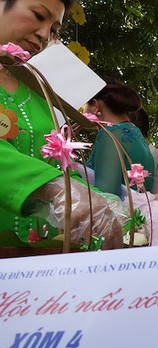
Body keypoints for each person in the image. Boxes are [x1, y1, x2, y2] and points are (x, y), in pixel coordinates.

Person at [0, 0, 122, 249]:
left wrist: (98, 201)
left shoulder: (37, 90)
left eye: (54, 29)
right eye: (38, 15)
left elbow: (58, 165)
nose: (45, 35)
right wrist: (54, 189)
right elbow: (56, 185)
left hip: (28, 269)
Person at [85, 80, 155, 197]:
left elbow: (107, 197)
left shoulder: (111, 133)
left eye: (84, 105)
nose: (83, 111)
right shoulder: (138, 136)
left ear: (95, 105)